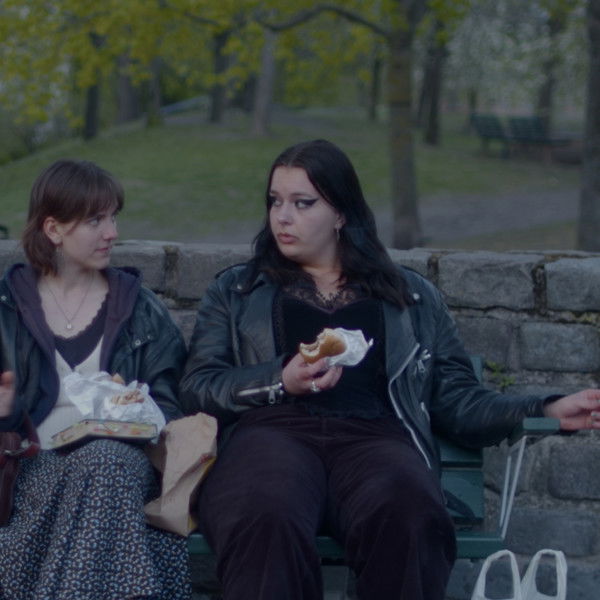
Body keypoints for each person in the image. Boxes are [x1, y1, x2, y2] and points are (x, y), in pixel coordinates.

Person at [180, 138, 600, 600]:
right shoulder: (239, 290)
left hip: (374, 438)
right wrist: (280, 380)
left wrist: (543, 408)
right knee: (265, 514)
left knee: (410, 515)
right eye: (275, 201)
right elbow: (200, 386)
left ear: (341, 213)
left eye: (303, 203)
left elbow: (457, 398)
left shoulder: (409, 296)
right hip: (271, 436)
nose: (282, 216)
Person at [0, 159, 191, 600]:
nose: (112, 233)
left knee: (106, 458)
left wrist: (138, 410)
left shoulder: (140, 309)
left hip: (124, 469)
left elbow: (171, 405)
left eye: (113, 217)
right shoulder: (7, 307)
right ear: (53, 229)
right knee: (103, 473)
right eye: (95, 220)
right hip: (35, 473)